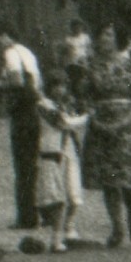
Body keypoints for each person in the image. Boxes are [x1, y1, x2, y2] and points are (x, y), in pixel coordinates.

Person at [82, 24, 131, 248]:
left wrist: (127, 119)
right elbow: (85, 96)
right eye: (101, 34)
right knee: (109, 179)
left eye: (109, 34)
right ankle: (117, 227)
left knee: (129, 177)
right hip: (101, 125)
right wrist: (94, 118)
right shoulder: (90, 66)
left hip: (128, 126)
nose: (104, 39)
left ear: (117, 38)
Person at [0, 26, 43, 229]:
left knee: (23, 165)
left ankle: (26, 217)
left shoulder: (10, 53)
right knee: (33, 164)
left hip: (22, 113)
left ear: (7, 36)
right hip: (34, 111)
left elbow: (17, 81)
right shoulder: (26, 52)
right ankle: (37, 212)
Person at [34, 70, 89, 252]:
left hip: (68, 151)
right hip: (51, 152)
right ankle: (55, 240)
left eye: (63, 86)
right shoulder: (44, 104)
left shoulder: (66, 105)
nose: (60, 90)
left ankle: (69, 229)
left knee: (73, 193)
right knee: (56, 199)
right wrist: (87, 117)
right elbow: (62, 122)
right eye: (55, 86)